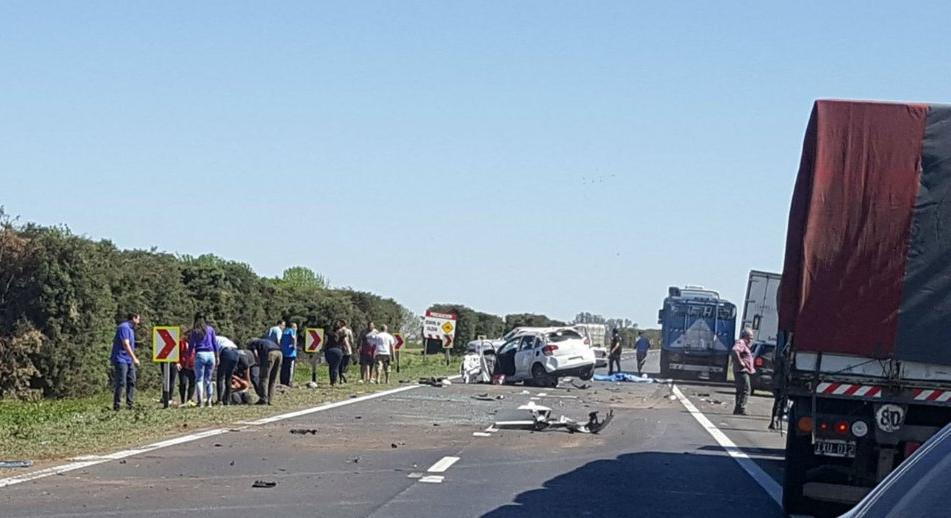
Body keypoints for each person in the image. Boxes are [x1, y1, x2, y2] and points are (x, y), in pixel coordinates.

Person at [110, 313, 141, 411]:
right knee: (121, 382)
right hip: (121, 359)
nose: (139, 322)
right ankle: (117, 405)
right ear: (134, 318)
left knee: (131, 380)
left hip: (128, 360)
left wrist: (132, 358)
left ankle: (130, 404)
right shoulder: (124, 327)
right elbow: (126, 344)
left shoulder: (131, 329)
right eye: (138, 319)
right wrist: (134, 358)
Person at [188, 313, 219, 408]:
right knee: (208, 379)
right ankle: (209, 401)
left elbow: (191, 345)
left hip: (200, 353)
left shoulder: (195, 331)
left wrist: (189, 356)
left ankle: (200, 401)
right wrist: (217, 356)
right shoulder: (210, 329)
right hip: (211, 354)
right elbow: (215, 343)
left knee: (199, 379)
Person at [248, 338, 282, 405]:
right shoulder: (265, 341)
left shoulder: (253, 343)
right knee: (273, 378)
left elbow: (255, 354)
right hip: (279, 353)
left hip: (270, 354)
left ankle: (263, 399)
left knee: (264, 378)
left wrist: (258, 363)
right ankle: (270, 399)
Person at [732, 328, 757, 416]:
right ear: (745, 336)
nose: (751, 340)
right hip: (742, 371)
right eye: (750, 337)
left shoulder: (745, 345)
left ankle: (737, 408)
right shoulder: (741, 342)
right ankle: (741, 408)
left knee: (741, 390)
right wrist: (740, 362)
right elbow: (735, 350)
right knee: (746, 389)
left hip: (742, 370)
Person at [215, 335, 239, 404]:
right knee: (229, 377)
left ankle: (219, 400)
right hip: (235, 352)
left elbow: (214, 350)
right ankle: (228, 400)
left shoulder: (213, 338)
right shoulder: (223, 338)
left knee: (220, 376)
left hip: (226, 352)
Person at [177, 335, 197, 407]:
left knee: (192, 382)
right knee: (183, 383)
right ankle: (182, 400)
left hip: (192, 366)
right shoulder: (181, 343)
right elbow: (177, 353)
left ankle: (189, 399)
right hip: (183, 366)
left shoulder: (196, 344)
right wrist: (177, 362)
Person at [324, 322, 344, 386]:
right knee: (336, 367)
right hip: (338, 351)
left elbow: (325, 341)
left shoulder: (329, 333)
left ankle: (331, 381)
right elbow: (343, 343)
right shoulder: (341, 334)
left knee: (331, 366)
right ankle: (334, 381)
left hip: (329, 350)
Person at [280, 322, 298, 386]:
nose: (296, 328)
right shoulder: (292, 331)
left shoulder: (284, 331)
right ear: (292, 327)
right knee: (290, 368)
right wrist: (294, 346)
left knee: (283, 368)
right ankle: (289, 382)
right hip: (291, 353)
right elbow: (293, 338)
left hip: (284, 352)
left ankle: (283, 381)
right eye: (295, 327)